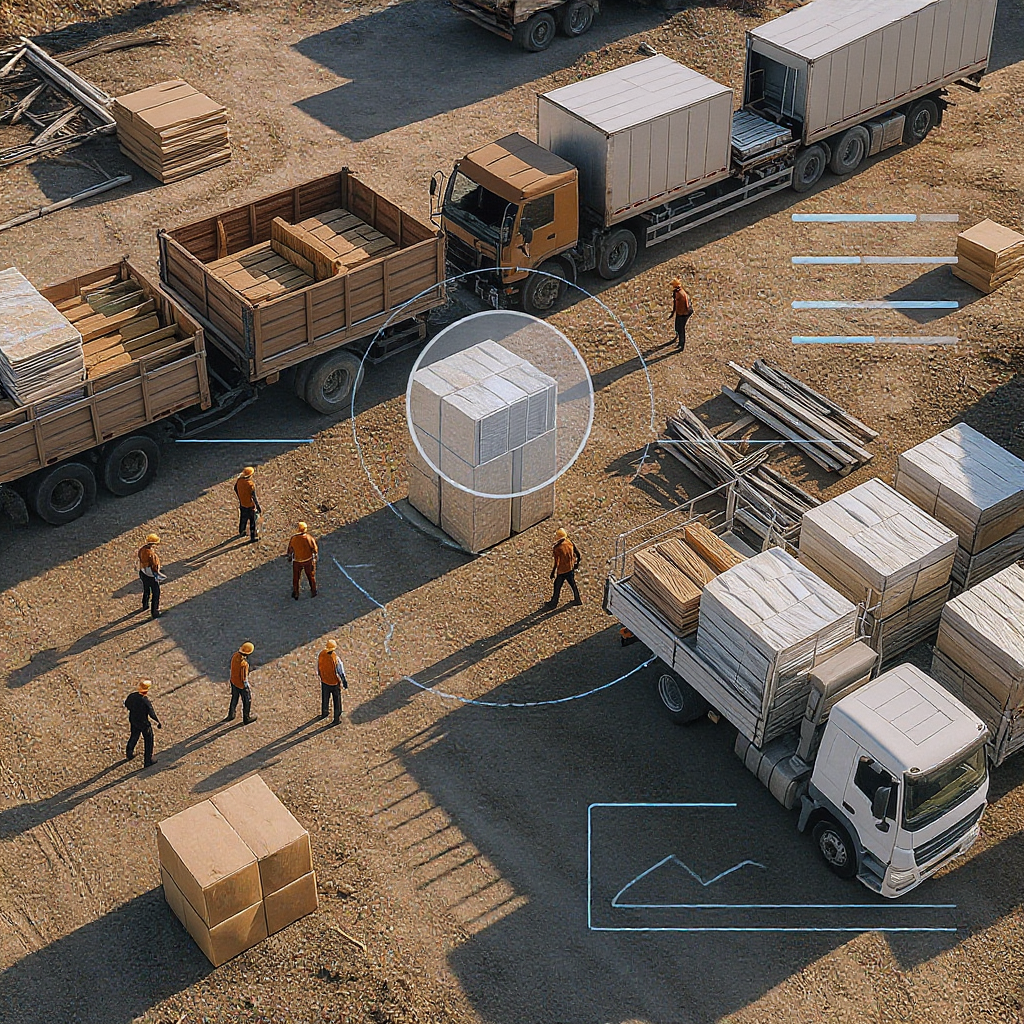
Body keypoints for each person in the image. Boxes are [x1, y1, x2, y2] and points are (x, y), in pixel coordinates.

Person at [124, 679, 161, 767]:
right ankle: (148, 760)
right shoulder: (145, 701)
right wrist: (158, 721)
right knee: (149, 740)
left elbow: (126, 704)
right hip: (143, 722)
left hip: (133, 719)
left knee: (134, 735)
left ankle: (129, 753)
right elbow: (151, 713)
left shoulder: (132, 696)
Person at [546, 527, 582, 609]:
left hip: (562, 571)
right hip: (571, 567)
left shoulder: (557, 548)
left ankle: (553, 604)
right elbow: (578, 554)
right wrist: (577, 564)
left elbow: (556, 562)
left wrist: (552, 572)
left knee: (557, 586)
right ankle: (578, 599)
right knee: (573, 584)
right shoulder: (569, 542)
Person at [317, 639, 348, 725]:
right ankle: (336, 719)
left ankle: (324, 712)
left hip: (324, 681)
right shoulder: (335, 658)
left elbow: (318, 667)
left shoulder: (321, 654)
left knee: (325, 698)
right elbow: (340, 671)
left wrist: (321, 675)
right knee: (336, 701)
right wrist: (344, 681)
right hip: (334, 683)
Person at [227, 642, 258, 724]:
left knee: (234, 698)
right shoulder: (244, 664)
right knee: (247, 700)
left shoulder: (235, 656)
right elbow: (244, 678)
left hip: (233, 681)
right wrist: (247, 687)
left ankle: (231, 714)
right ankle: (246, 718)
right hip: (241, 685)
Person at [287, 521, 318, 600]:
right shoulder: (309, 538)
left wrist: (290, 556)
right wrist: (314, 557)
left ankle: (296, 592)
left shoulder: (294, 539)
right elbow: (314, 549)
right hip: (308, 560)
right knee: (310, 576)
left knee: (296, 577)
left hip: (297, 561)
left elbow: (290, 549)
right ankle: (313, 591)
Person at [138, 533, 164, 619]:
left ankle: (145, 604)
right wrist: (157, 574)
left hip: (143, 572)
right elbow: (154, 566)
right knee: (156, 593)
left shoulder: (142, 550)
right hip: (150, 575)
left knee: (146, 590)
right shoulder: (151, 554)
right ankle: (154, 612)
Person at [234, 466, 261, 543]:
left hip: (242, 505)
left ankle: (242, 531)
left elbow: (235, 488)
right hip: (250, 506)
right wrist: (258, 507)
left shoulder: (239, 481)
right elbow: (254, 497)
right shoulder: (250, 484)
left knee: (243, 518)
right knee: (252, 522)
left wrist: (240, 498)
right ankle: (252, 537)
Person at [670, 277, 693, 350]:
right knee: (677, 326)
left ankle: (681, 344)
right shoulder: (678, 292)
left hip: (683, 313)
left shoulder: (680, 294)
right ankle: (678, 337)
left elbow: (685, 305)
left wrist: (683, 314)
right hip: (680, 312)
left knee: (681, 329)